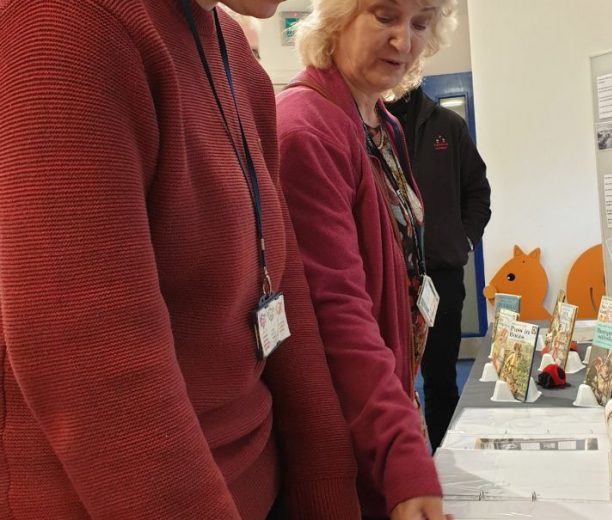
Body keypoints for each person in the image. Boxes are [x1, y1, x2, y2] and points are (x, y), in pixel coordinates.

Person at [0, 1, 361, 518]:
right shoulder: (64, 23)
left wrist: (329, 485)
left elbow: (283, 289)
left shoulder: (233, 50)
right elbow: (89, 362)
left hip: (256, 487)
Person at [276, 0, 456, 518]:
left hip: (385, 398)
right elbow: (336, 311)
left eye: (420, 24)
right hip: (343, 434)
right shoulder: (307, 129)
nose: (404, 42)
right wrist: (400, 449)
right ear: (337, 18)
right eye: (384, 16)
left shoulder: (380, 121)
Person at [386, 87, 490, 450]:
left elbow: (478, 190)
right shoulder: (362, 123)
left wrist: (465, 240)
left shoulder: (448, 125)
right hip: (386, 280)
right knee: (386, 384)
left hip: (441, 277)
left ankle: (445, 467)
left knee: (440, 379)